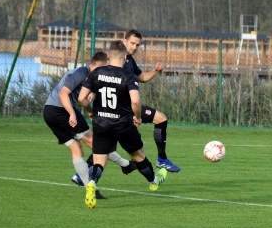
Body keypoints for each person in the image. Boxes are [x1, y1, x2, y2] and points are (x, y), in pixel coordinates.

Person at [78, 40, 167, 209]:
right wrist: (138, 117)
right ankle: (153, 181)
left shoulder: (96, 73)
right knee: (139, 155)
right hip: (123, 125)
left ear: (109, 56)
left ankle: (92, 182)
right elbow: (135, 101)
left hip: (101, 124)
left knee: (99, 161)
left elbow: (81, 98)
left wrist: (91, 110)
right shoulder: (128, 76)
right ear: (125, 56)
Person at [43, 51, 135, 199]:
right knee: (97, 143)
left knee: (76, 148)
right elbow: (62, 94)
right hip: (60, 110)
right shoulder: (81, 72)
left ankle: (90, 189)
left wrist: (91, 98)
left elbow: (87, 94)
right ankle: (126, 165)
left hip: (49, 112)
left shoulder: (90, 76)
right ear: (98, 65)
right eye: (105, 67)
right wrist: (72, 114)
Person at [122, 29, 181, 173]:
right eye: (132, 43)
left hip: (132, 106)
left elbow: (141, 77)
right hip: (121, 108)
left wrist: (154, 71)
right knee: (108, 143)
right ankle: (87, 171)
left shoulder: (130, 60)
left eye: (137, 45)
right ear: (124, 41)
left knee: (161, 119)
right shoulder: (116, 59)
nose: (134, 47)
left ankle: (161, 159)